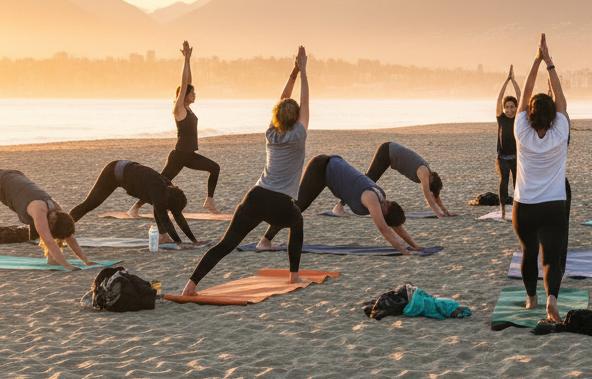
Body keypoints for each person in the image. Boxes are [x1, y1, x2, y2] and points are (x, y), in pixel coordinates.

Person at [181, 47, 311, 297]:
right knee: (297, 220)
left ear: (276, 117)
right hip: (279, 202)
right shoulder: (298, 135)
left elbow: (281, 103)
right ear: (295, 118)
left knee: (226, 245)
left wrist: (294, 73)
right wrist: (303, 71)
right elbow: (305, 102)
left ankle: (190, 287)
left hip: (255, 196)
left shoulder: (271, 134)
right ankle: (293, 275)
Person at [514, 34, 571, 322]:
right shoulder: (560, 133)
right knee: (551, 256)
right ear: (553, 116)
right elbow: (560, 100)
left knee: (527, 253)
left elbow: (523, 97)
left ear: (529, 115)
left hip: (525, 205)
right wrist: (550, 63)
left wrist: (536, 60)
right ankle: (551, 298)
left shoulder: (521, 133)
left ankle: (531, 299)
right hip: (553, 205)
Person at [133, 41, 220, 216]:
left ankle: (209, 202)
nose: (195, 94)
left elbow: (187, 82)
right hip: (179, 156)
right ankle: (135, 207)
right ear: (183, 95)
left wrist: (188, 59)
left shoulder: (188, 108)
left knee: (215, 168)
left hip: (189, 155)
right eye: (191, 92)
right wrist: (185, 60)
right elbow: (183, 82)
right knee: (160, 182)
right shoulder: (179, 108)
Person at [291, 155, 426, 254]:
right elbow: (384, 228)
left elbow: (396, 227)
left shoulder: (380, 200)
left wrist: (415, 245)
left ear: (385, 212)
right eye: (388, 202)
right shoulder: (373, 197)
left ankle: (268, 237)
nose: (386, 201)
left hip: (331, 166)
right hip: (322, 167)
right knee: (298, 207)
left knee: (297, 207)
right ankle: (268, 239)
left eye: (387, 204)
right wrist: (404, 251)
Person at [70, 161, 202, 246]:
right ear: (167, 201)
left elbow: (176, 215)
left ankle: (163, 237)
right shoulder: (156, 187)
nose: (168, 211)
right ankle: (63, 229)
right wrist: (178, 242)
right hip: (113, 172)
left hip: (127, 172)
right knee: (90, 204)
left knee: (158, 208)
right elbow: (163, 216)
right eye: (169, 208)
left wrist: (194, 240)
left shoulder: (168, 189)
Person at [330, 141, 454, 217]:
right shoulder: (424, 172)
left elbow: (435, 196)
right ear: (431, 179)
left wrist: (446, 212)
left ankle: (340, 206)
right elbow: (428, 196)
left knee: (368, 180)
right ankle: (339, 207)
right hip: (387, 151)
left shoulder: (428, 174)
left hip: (389, 154)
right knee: (367, 180)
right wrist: (439, 214)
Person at [495, 66, 521, 219]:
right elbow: (499, 99)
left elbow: (521, 95)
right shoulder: (501, 118)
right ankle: (503, 211)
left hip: (516, 157)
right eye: (507, 107)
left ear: (516, 108)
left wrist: (514, 81)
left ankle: (518, 210)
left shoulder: (519, 118)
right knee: (503, 182)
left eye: (512, 107)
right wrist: (507, 81)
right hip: (502, 157)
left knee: (518, 184)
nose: (509, 109)